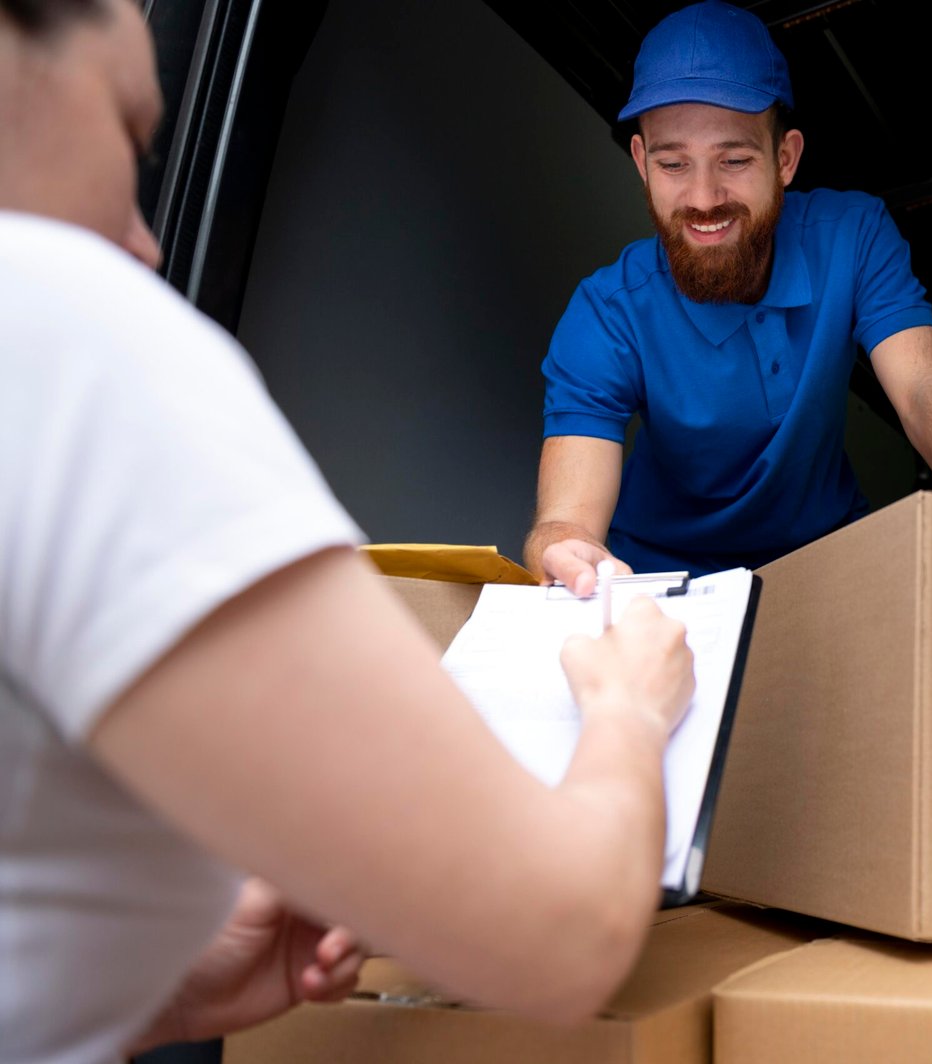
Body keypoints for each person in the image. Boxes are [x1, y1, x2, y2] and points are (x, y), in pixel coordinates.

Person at [0, 3, 695, 1062]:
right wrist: (632, 709)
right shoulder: (58, 318)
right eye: (133, 132)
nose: (146, 246)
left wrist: (161, 997)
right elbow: (562, 933)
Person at [525, 0, 932, 594]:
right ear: (641, 162)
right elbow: (566, 519)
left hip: (828, 560)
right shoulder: (606, 311)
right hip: (661, 581)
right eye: (673, 163)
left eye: (734, 159)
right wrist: (562, 550)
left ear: (785, 158)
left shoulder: (854, 234)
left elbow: (922, 390)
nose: (704, 197)